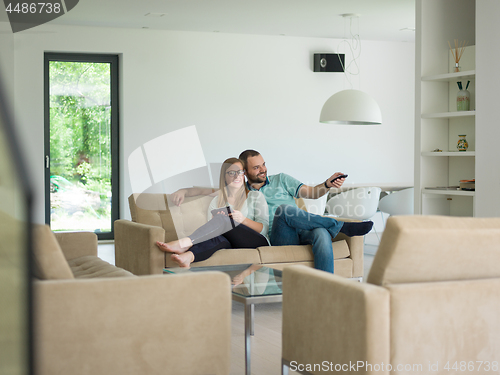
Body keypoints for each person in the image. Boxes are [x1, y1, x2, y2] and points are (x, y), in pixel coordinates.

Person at [171, 150, 373, 273]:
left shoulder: (282, 179)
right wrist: (185, 190)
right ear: (246, 172)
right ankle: (340, 225)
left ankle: (324, 289)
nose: (263, 170)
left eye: (264, 164)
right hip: (279, 236)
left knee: (320, 233)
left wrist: (327, 184)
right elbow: (208, 191)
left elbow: (312, 193)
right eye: (256, 168)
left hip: (303, 228)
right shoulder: (242, 190)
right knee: (284, 210)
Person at [156, 157, 269, 267]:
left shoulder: (256, 196)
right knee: (218, 238)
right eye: (231, 173)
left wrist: (243, 220)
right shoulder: (217, 201)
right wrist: (218, 222)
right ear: (224, 177)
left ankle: (185, 242)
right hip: (232, 243)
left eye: (240, 172)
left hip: (257, 242)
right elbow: (210, 233)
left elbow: (264, 229)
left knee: (223, 220)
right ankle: (188, 257)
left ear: (244, 174)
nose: (236, 176)